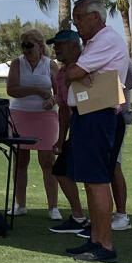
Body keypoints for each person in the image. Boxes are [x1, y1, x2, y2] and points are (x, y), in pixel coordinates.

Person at [56, 0, 132, 263]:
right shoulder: (94, 44)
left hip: (98, 116)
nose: (75, 23)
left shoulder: (106, 40)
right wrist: (75, 71)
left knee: (98, 180)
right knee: (90, 180)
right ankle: (96, 238)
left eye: (79, 17)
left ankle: (105, 244)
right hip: (88, 115)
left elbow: (73, 70)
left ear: (95, 18)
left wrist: (76, 71)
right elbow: (72, 71)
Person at [5, 28, 61, 218]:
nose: (26, 49)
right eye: (23, 46)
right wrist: (36, 90)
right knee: (20, 160)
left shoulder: (50, 65)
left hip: (46, 117)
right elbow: (12, 89)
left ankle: (53, 207)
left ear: (40, 46)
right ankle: (20, 204)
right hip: (20, 114)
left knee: (47, 161)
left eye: (29, 45)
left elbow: (60, 91)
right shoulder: (17, 64)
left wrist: (52, 100)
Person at [47, 28, 90, 239]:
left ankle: (95, 222)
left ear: (75, 46)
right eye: (55, 45)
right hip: (77, 129)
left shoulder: (89, 65)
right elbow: (63, 108)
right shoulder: (61, 74)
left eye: (60, 44)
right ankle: (79, 217)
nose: (56, 49)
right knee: (61, 169)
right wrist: (61, 138)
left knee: (94, 175)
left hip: (93, 125)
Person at [108, 62, 132, 233]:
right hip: (97, 118)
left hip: (117, 118)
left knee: (114, 164)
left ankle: (122, 215)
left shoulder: (120, 59)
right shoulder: (91, 56)